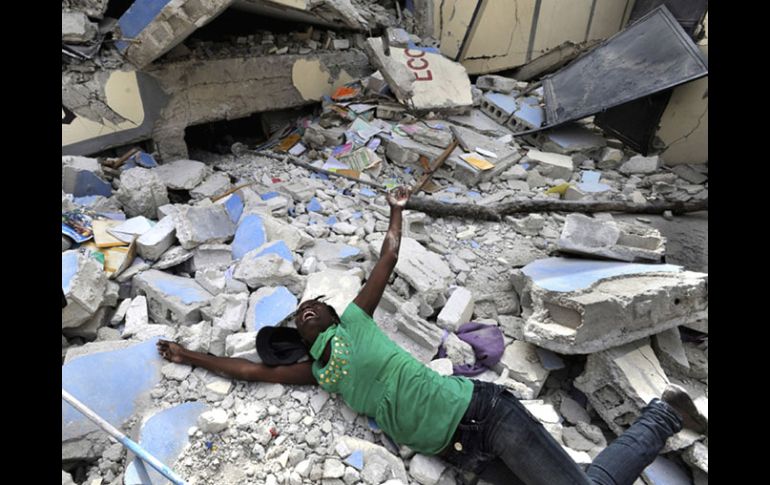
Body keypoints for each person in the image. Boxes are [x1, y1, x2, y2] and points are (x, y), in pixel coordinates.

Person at [158, 186, 706, 485]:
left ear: (331, 312)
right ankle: (667, 414)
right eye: (299, 314)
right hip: (461, 452)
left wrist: (396, 211)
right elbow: (253, 372)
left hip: (483, 415)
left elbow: (387, 260)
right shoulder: (320, 371)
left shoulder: (354, 319)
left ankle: (663, 413)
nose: (305, 310)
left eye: (311, 305)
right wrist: (189, 354)